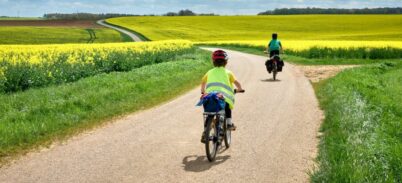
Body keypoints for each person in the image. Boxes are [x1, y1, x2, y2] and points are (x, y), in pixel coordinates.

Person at [200, 50, 244, 142]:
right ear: (226, 62)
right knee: (227, 106)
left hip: (210, 96)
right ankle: (228, 124)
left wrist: (203, 92)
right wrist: (240, 89)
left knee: (209, 112)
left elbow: (203, 82)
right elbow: (236, 83)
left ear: (213, 62)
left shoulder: (209, 72)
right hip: (223, 97)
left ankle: (205, 131)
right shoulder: (228, 72)